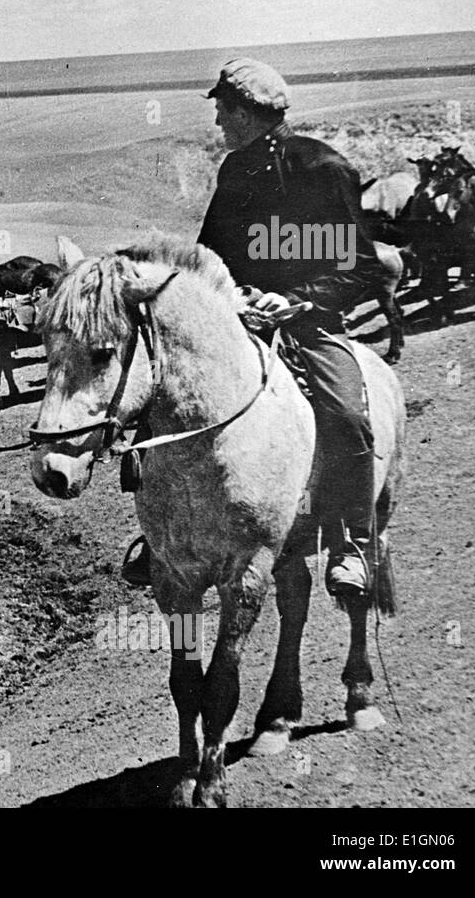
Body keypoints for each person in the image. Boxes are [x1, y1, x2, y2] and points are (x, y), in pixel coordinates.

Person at [122, 58, 386, 598]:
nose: (217, 120)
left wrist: (296, 300)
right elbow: (209, 257)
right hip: (238, 324)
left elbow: (361, 266)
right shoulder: (236, 170)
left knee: (348, 415)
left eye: (223, 108)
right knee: (161, 409)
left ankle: (353, 546)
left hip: (309, 326)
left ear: (247, 113)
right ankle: (162, 539)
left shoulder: (323, 169)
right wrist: (223, 300)